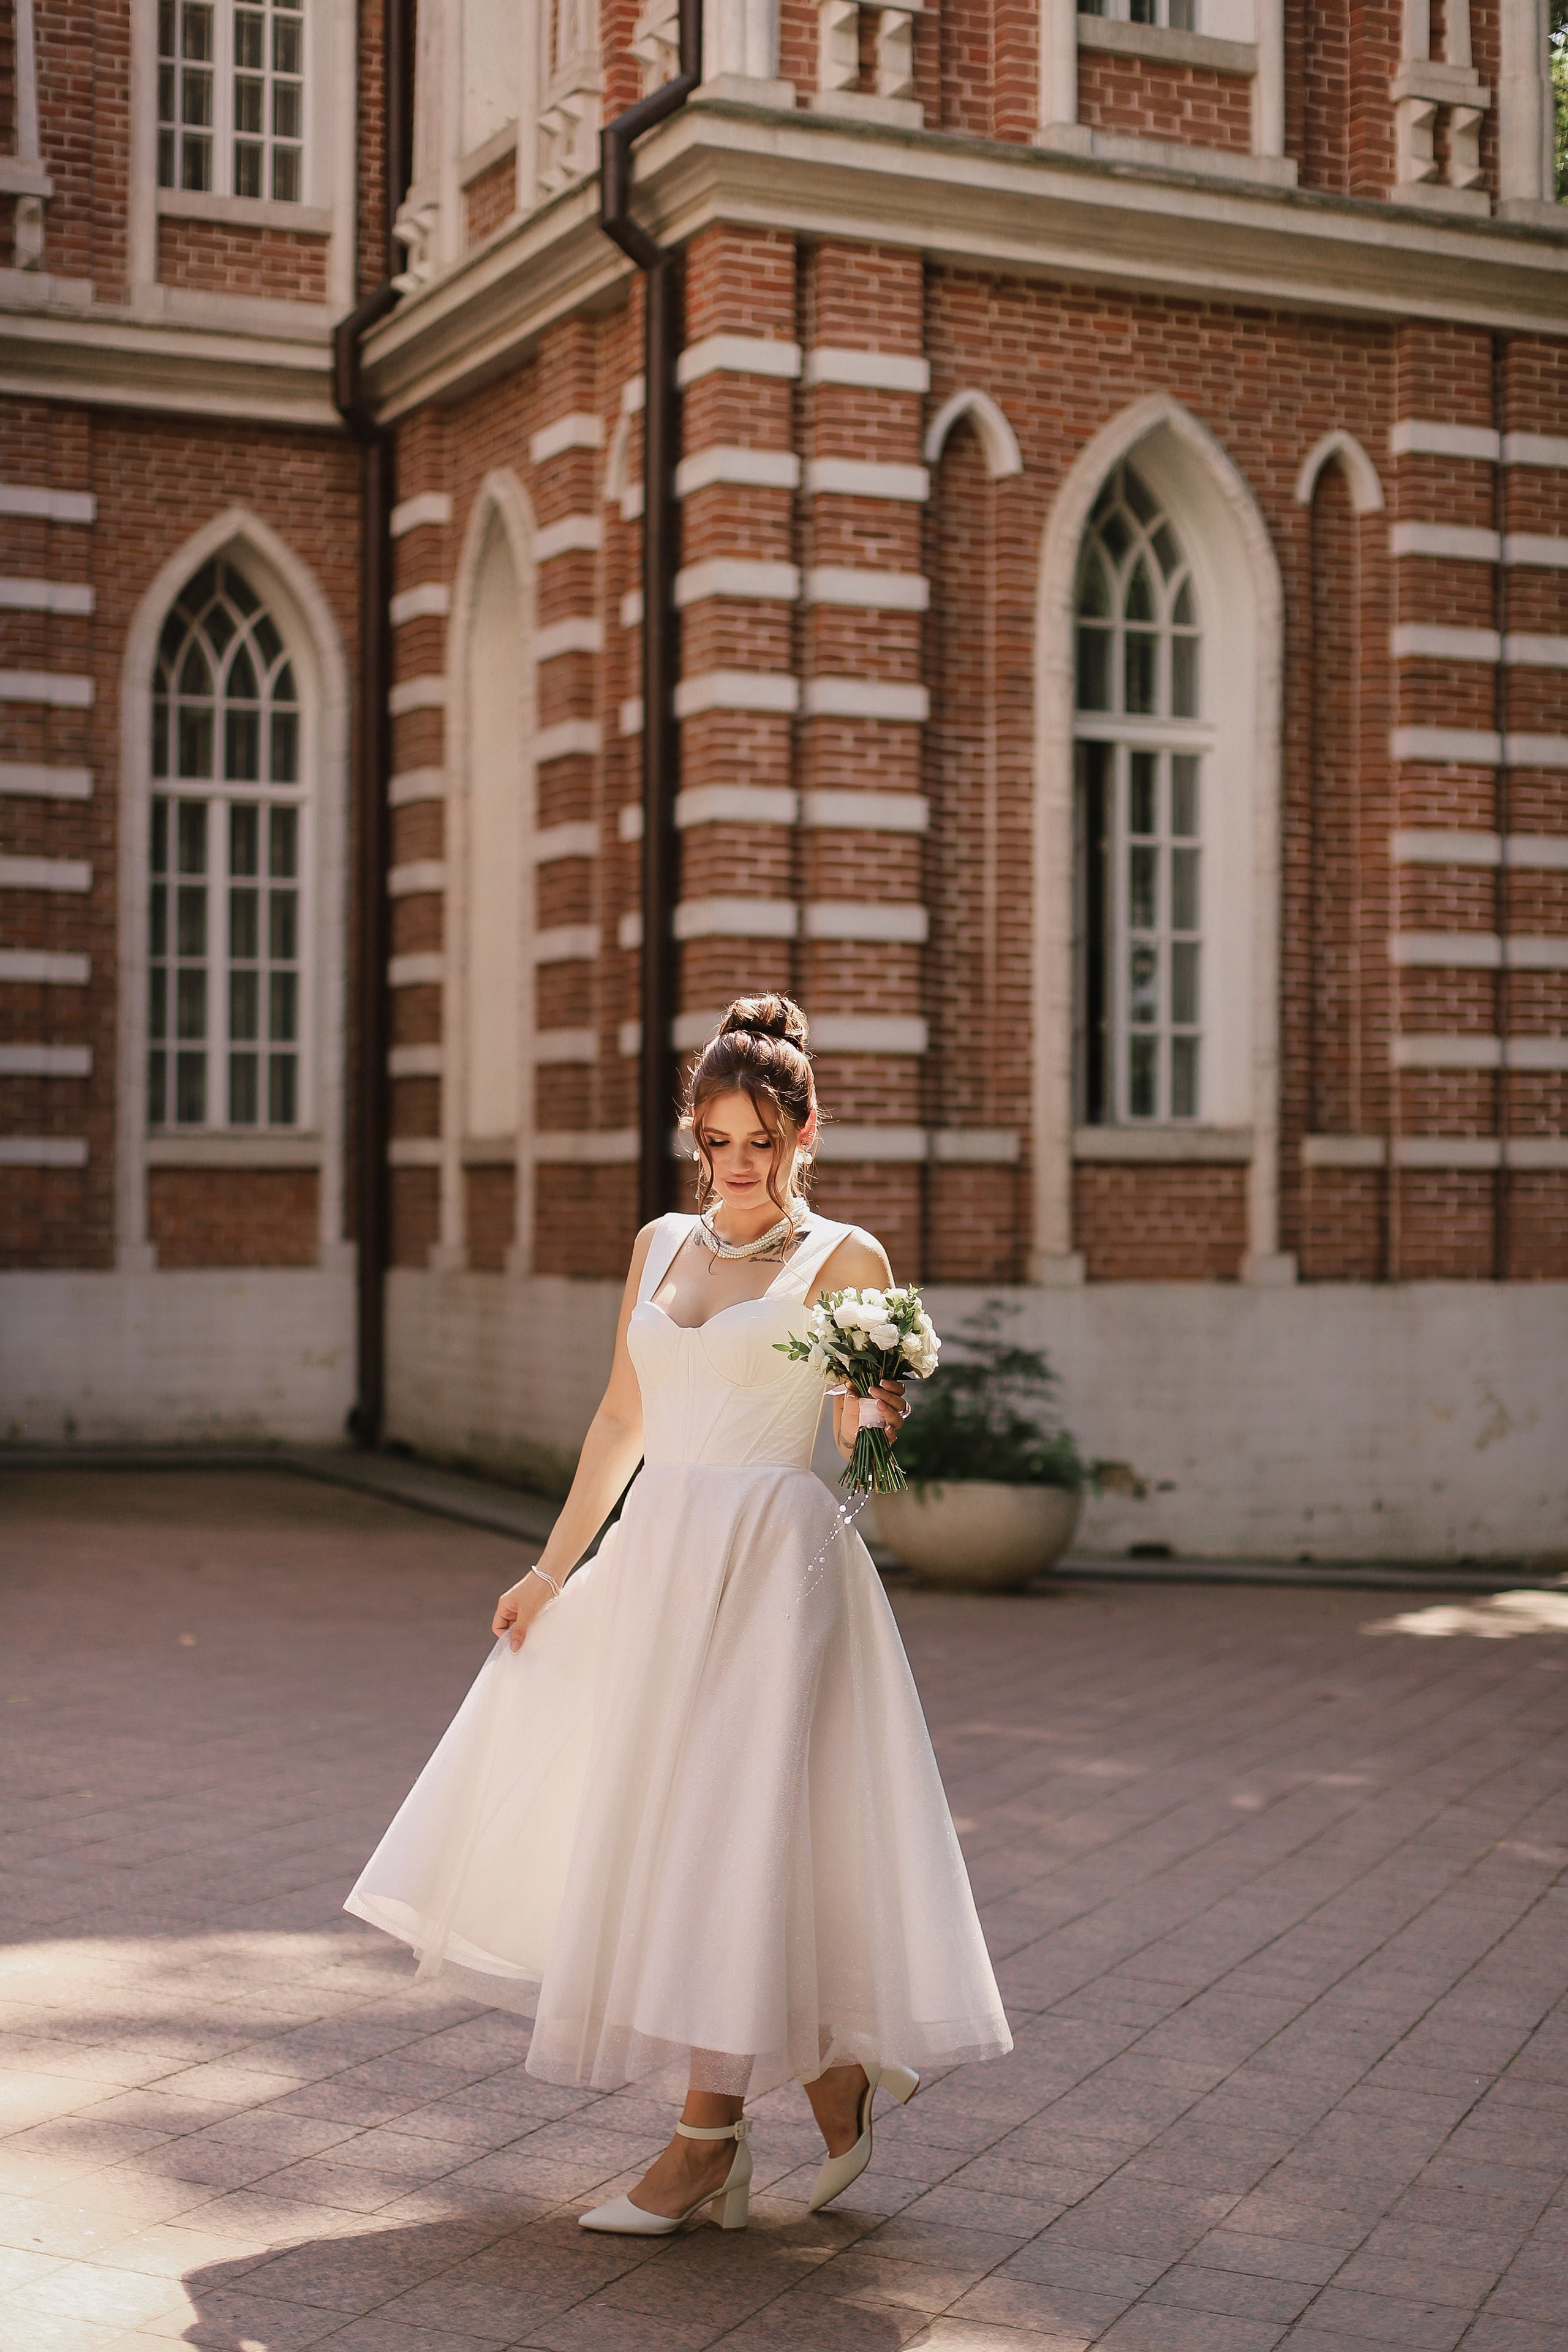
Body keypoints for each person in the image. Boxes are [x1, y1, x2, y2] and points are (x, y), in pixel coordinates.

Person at [345, 996, 1011, 2233]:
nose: (738, 1166)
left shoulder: (846, 1263)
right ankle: (831, 2066)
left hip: (777, 1570)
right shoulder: (659, 1246)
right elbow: (619, 1422)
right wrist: (550, 1573)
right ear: (693, 1141)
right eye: (716, 1142)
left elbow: (863, 1469)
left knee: (730, 1831)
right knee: (667, 1832)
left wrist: (876, 1415)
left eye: (761, 1140)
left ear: (807, 1133)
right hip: (657, 1560)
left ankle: (704, 2137)